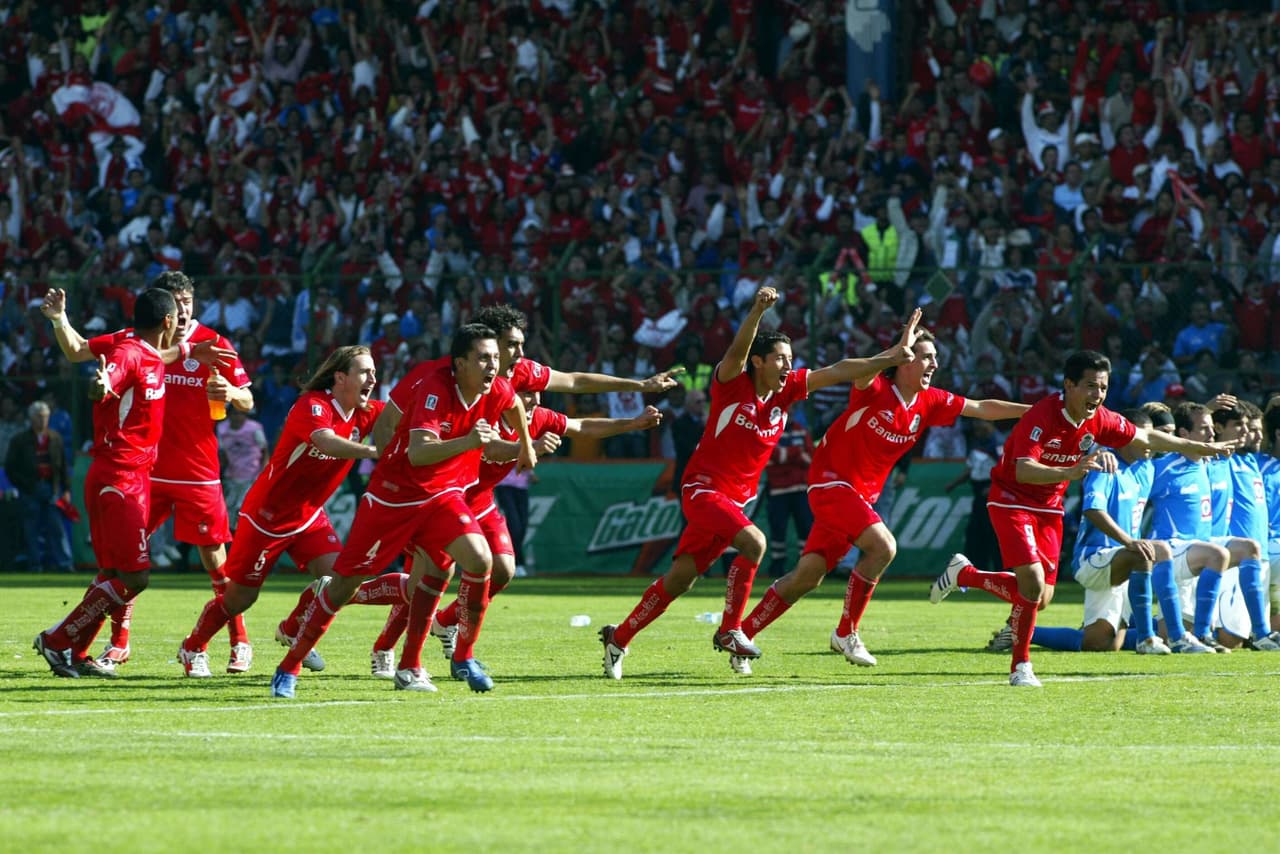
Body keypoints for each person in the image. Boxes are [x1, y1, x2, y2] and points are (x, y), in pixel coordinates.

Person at [599, 290, 912, 680]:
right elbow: (736, 352)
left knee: (681, 579)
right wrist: (757, 311)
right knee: (755, 543)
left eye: (791, 359)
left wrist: (889, 358)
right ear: (759, 361)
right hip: (703, 490)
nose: (788, 365)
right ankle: (732, 630)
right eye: (780, 358)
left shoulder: (788, 389)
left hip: (735, 502)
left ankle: (619, 637)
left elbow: (839, 369)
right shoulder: (732, 382)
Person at [734, 316, 1029, 669]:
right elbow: (863, 371)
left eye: (935, 357)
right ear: (904, 360)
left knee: (807, 576)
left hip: (859, 497)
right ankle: (846, 632)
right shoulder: (872, 388)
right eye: (925, 356)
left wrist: (1037, 413)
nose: (934, 363)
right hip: (831, 483)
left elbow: (982, 408)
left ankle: (742, 636)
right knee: (884, 547)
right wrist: (891, 354)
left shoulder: (929, 401)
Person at [929, 351, 1234, 687]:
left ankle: (966, 575)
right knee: (1030, 583)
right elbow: (1022, 469)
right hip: (1011, 500)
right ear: (1069, 385)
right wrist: (1071, 471)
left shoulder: (1099, 418)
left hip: (1049, 507)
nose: (1097, 395)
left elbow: (1145, 437)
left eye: (1102, 387)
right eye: (1090, 386)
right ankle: (1021, 667)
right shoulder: (1043, 415)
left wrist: (1200, 448)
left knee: (1040, 598)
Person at [267, 324, 537, 699]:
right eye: (484, 359)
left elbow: (516, 406)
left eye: (496, 358)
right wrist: (470, 441)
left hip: (443, 495)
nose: (494, 366)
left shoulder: (496, 387)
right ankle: (290, 665)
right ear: (460, 364)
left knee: (477, 561)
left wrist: (525, 446)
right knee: (346, 583)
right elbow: (418, 452)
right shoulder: (434, 388)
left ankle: (451, 659)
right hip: (394, 498)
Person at [372, 388, 663, 681]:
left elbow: (582, 426)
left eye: (538, 394)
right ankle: (372, 633)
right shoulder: (484, 413)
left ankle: (450, 630)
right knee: (420, 585)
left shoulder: (537, 417)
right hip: (442, 500)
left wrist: (632, 423)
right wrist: (529, 446)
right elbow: (491, 448)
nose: (534, 401)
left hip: (481, 503)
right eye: (526, 395)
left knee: (503, 570)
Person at [42, 273, 254, 673]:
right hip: (138, 473)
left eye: (188, 299)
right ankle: (110, 643)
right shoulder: (133, 345)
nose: (183, 307)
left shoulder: (207, 344)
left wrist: (230, 392)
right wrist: (97, 376)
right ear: (165, 313)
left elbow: (246, 398)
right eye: (176, 301)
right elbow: (92, 357)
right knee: (126, 569)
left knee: (212, 560)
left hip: (194, 470)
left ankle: (238, 641)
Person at [176, 346, 383, 677]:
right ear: (340, 377)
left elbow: (405, 416)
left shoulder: (367, 411)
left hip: (310, 517)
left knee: (344, 581)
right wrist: (375, 451)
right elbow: (327, 442)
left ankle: (293, 626)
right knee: (240, 599)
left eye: (374, 372)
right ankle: (193, 646)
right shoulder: (312, 405)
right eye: (364, 372)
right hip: (266, 518)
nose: (372, 378)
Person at [33, 289, 178, 678]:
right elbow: (104, 378)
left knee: (113, 575)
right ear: (168, 321)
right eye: (178, 316)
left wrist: (60, 318)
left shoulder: (133, 344)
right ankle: (58, 639)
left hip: (127, 475)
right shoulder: (128, 353)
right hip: (120, 477)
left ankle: (76, 652)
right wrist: (101, 386)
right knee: (136, 577)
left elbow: (79, 346)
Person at [1027, 409, 1172, 654]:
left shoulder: (1146, 467)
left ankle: (1023, 630)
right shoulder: (1104, 464)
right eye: (1142, 436)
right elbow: (1092, 510)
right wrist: (1129, 542)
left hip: (1122, 559)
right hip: (1094, 557)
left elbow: (1179, 447)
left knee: (1101, 644)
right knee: (1146, 552)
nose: (1148, 441)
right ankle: (1149, 638)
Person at [5, 401, 72, 574]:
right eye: (39, 417)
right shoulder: (20, 440)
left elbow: (63, 465)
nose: (42, 420)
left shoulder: (55, 438)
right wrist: (24, 486)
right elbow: (11, 467)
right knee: (31, 529)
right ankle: (35, 565)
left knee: (56, 528)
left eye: (45, 416)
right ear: (31, 418)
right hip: (30, 489)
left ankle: (64, 563)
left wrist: (65, 489)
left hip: (51, 488)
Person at [763, 405, 813, 578]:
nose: (789, 415)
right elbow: (772, 456)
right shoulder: (771, 431)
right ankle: (777, 567)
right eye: (787, 412)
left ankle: (804, 568)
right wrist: (796, 454)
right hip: (778, 491)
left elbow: (810, 459)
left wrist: (786, 456)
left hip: (800, 490)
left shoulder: (801, 431)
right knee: (778, 530)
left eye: (792, 412)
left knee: (805, 529)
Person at [216, 406, 268, 523]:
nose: (238, 417)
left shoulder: (254, 428)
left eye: (241, 414)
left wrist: (263, 471)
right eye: (235, 414)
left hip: (252, 475)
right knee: (229, 507)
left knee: (244, 508)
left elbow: (264, 450)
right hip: (232, 475)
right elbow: (222, 453)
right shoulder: (222, 429)